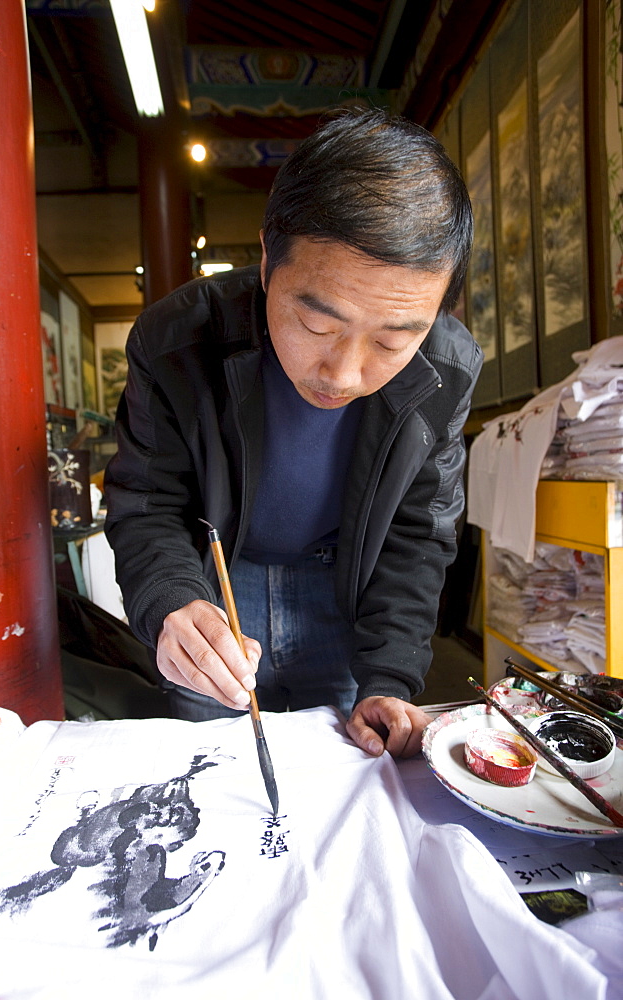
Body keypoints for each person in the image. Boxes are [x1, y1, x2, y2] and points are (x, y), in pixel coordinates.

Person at [104, 108, 482, 759]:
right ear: (266, 259)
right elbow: (148, 501)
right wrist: (172, 603)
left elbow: (418, 533)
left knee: (341, 759)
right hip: (219, 580)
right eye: (316, 325)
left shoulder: (447, 368)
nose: (344, 372)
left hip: (342, 586)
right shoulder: (175, 341)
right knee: (215, 768)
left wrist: (390, 677)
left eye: (394, 339)